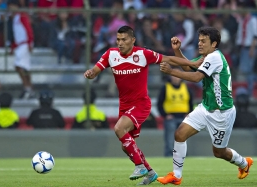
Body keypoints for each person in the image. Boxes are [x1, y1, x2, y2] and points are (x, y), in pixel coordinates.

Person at [84, 25, 203, 185]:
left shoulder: (142, 54)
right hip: (125, 106)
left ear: (133, 40)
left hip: (141, 104)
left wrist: (192, 63)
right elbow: (95, 70)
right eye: (118, 39)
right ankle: (151, 173)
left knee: (119, 129)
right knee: (126, 147)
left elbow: (169, 59)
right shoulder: (110, 54)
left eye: (124, 39)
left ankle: (140, 166)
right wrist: (91, 73)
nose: (120, 43)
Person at [157, 26, 253, 185]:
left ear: (214, 44)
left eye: (204, 41)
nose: (199, 44)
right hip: (205, 108)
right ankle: (176, 175)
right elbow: (188, 67)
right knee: (180, 134)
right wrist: (177, 51)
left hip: (222, 113)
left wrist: (171, 71)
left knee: (219, 152)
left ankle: (244, 163)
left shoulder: (214, 57)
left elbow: (195, 77)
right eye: (199, 40)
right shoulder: (206, 57)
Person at [157, 73, 193, 157]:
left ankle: (183, 155)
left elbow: (190, 102)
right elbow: (160, 103)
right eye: (174, 75)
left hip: (183, 117)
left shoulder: (186, 88)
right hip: (170, 117)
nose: (176, 78)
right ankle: (169, 155)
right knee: (170, 139)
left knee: (183, 138)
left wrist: (189, 113)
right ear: (170, 77)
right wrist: (165, 115)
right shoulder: (165, 88)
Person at [8, 0, 35, 99]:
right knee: (23, 67)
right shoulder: (15, 18)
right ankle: (28, 87)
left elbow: (28, 29)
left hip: (25, 44)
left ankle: (27, 87)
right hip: (19, 45)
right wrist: (13, 47)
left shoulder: (22, 16)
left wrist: (30, 42)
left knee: (20, 66)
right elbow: (18, 34)